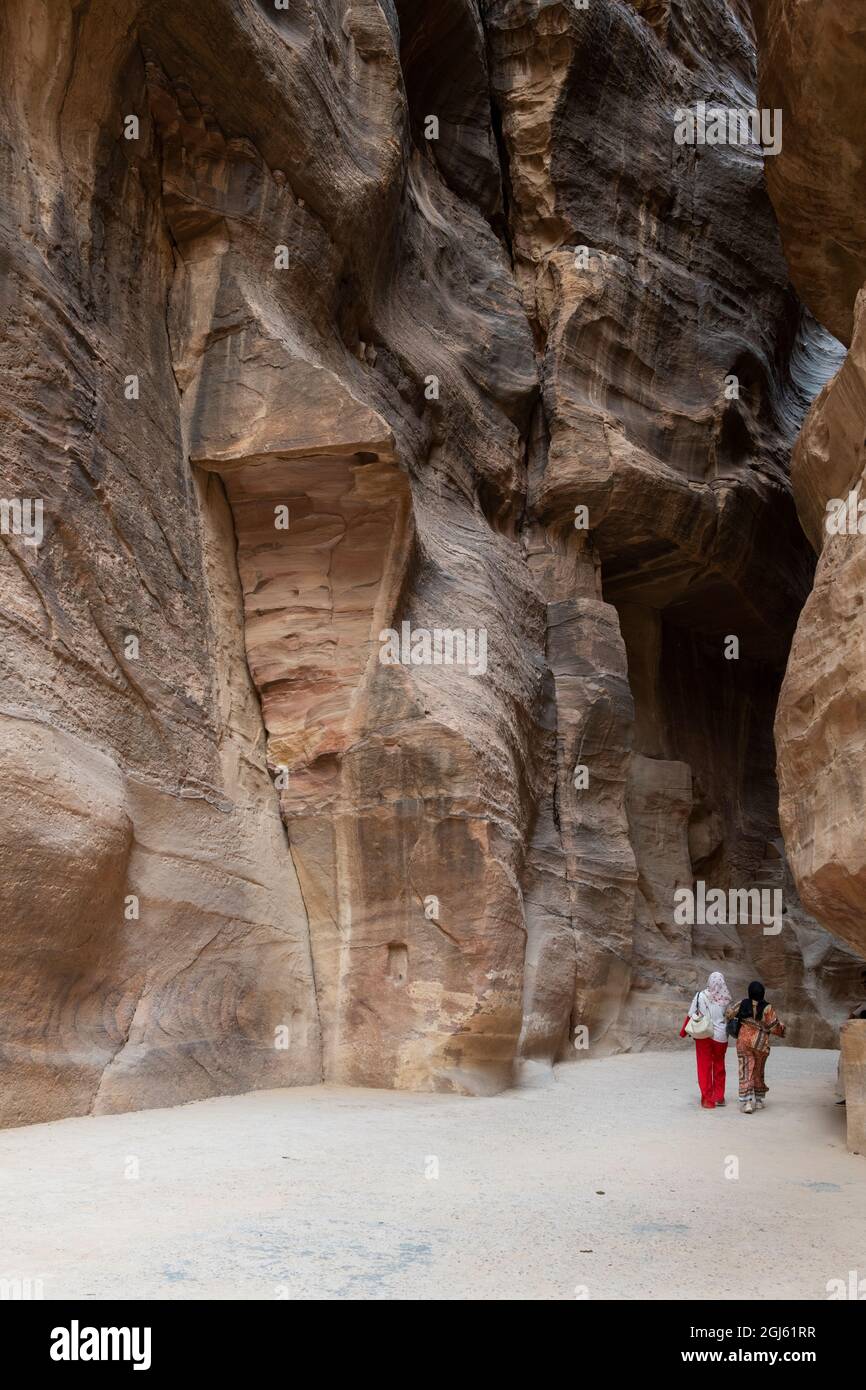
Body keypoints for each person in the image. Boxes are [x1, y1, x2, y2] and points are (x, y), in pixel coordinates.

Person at [726, 980, 785, 1114]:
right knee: (758, 1070)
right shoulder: (767, 1007)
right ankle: (758, 1101)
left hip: (743, 1041)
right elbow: (774, 1027)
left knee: (746, 1070)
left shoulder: (742, 1003)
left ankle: (747, 1102)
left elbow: (729, 1013)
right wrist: (783, 1028)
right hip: (760, 1044)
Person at [680, 971, 731, 1109]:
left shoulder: (700, 996)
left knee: (704, 1067)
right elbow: (729, 1017)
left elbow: (691, 1014)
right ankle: (719, 1096)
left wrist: (683, 1032)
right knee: (719, 1066)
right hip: (721, 1037)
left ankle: (708, 1099)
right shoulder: (726, 998)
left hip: (704, 1034)